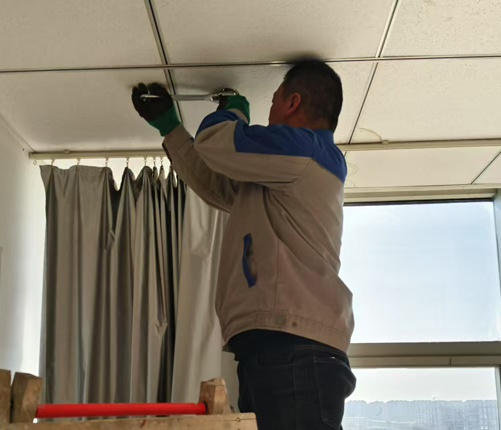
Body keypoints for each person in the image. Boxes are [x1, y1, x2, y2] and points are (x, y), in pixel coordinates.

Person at [132, 59, 356, 430]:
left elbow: (218, 144)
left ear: (293, 102)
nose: (269, 113)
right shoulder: (282, 174)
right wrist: (171, 129)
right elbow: (217, 183)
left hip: (294, 347)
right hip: (283, 347)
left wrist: (233, 113)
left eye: (273, 101)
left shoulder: (306, 148)